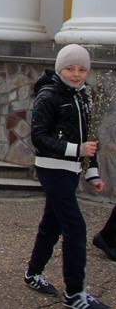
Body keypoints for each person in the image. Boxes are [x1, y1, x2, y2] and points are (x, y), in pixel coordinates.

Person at [25, 44, 108, 309]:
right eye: (70, 68)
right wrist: (76, 150)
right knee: (75, 227)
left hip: (71, 170)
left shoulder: (83, 95)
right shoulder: (49, 95)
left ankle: (33, 273)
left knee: (52, 224)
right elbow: (38, 136)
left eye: (82, 69)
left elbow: (89, 137)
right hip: (52, 168)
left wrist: (92, 172)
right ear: (60, 68)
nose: (76, 74)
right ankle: (74, 293)